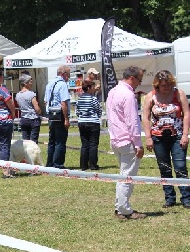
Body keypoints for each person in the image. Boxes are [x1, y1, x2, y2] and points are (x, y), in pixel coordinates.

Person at [142, 69, 190, 208]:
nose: (167, 87)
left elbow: (186, 114)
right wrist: (148, 137)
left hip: (178, 136)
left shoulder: (178, 93)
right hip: (158, 137)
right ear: (157, 85)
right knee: (164, 168)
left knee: (180, 167)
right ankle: (170, 198)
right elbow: (145, 118)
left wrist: (185, 134)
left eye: (169, 84)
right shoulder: (150, 96)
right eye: (164, 85)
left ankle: (186, 198)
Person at [107, 66, 146, 220]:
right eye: (139, 80)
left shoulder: (112, 91)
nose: (139, 83)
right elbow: (132, 122)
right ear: (132, 77)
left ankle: (120, 207)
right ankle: (125, 210)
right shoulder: (128, 95)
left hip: (115, 140)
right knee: (127, 177)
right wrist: (138, 144)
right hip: (127, 141)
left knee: (123, 175)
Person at [44, 65, 72, 169]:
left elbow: (45, 101)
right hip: (60, 113)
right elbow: (63, 103)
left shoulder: (49, 84)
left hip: (51, 113)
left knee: (52, 140)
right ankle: (58, 164)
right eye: (68, 75)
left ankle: (50, 163)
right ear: (64, 74)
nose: (68, 78)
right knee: (60, 141)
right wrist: (66, 119)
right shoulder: (62, 84)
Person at [76, 80, 102, 170]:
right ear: (89, 88)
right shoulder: (93, 98)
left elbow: (77, 111)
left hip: (82, 122)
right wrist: (97, 116)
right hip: (93, 122)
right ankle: (93, 165)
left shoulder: (79, 99)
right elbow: (99, 109)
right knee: (93, 144)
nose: (94, 89)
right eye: (93, 87)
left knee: (84, 144)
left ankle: (83, 165)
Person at [15, 74, 42, 143]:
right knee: (33, 142)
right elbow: (37, 108)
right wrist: (40, 113)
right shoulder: (31, 94)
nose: (31, 83)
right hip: (33, 119)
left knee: (25, 142)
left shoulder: (18, 95)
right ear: (25, 83)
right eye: (30, 82)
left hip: (24, 118)